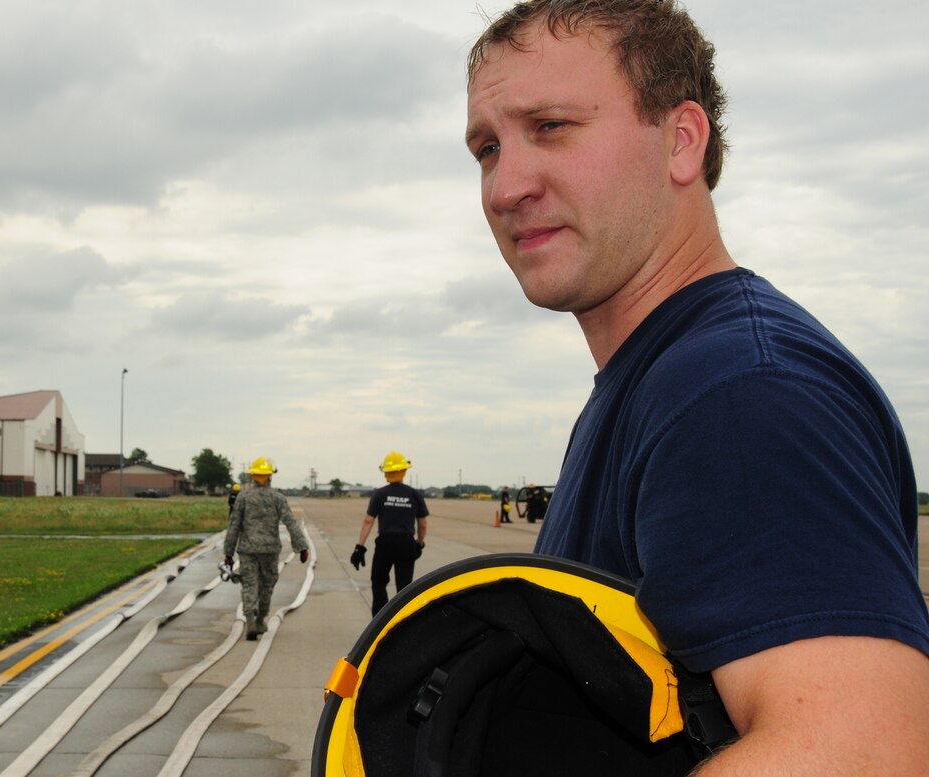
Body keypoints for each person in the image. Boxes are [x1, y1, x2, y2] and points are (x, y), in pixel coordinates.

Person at [465, 1, 929, 773]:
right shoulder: (658, 378)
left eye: (550, 126)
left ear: (681, 142)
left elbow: (867, 749)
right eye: (486, 147)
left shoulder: (737, 391)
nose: (504, 186)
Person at [223, 457, 309, 641]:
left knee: (249, 584)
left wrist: (228, 553)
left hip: (247, 549)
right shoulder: (277, 497)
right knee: (267, 584)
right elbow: (290, 522)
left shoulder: (243, 497)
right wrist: (301, 547)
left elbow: (234, 525)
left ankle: (250, 619)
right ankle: (261, 619)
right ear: (270, 476)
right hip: (270, 550)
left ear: (253, 476)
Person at [350, 451, 429, 615]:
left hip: (385, 543)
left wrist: (360, 547)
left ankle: (380, 621)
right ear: (404, 471)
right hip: (406, 543)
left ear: (386, 471)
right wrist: (420, 543)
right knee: (405, 588)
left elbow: (368, 521)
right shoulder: (414, 494)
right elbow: (422, 524)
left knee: (378, 583)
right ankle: (402, 622)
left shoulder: (380, 494)